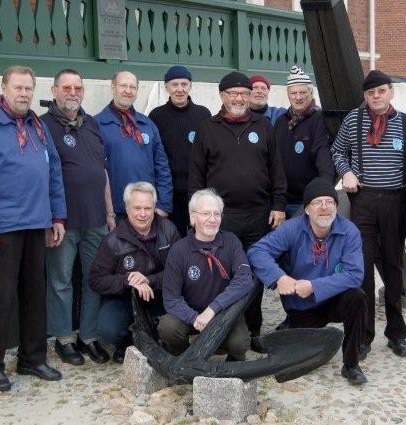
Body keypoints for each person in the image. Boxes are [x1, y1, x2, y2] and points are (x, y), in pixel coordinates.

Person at [0, 65, 66, 391]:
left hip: (37, 224)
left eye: (28, 89)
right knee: (1, 299)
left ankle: (32, 359)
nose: (24, 94)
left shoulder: (38, 127)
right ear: (4, 88)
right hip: (3, 229)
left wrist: (57, 217)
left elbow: (54, 173)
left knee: (35, 296)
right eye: (18, 88)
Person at [189, 71, 286, 338]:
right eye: (233, 93)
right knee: (222, 273)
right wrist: (197, 213)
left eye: (243, 93)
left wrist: (278, 205)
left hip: (258, 215)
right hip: (221, 217)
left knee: (254, 273)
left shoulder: (263, 126)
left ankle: (252, 329)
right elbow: (196, 174)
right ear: (222, 96)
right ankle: (224, 329)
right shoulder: (208, 128)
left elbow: (276, 168)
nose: (239, 98)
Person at [248, 178, 368, 385]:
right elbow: (257, 251)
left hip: (332, 300)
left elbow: (355, 274)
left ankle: (351, 364)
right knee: (293, 353)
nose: (324, 207)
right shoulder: (292, 229)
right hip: (301, 306)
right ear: (306, 210)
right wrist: (279, 278)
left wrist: (314, 286)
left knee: (357, 298)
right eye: (317, 202)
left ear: (336, 207)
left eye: (329, 202)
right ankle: (289, 329)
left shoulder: (349, 231)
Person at [331, 70, 406, 358]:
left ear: (391, 92)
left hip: (395, 201)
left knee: (393, 267)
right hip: (363, 201)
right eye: (370, 93)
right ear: (365, 96)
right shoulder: (353, 120)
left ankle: (396, 333)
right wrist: (346, 172)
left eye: (381, 91)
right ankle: (364, 335)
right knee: (362, 268)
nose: (376, 97)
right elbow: (338, 151)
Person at [41, 69, 112, 366]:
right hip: (63, 222)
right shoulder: (42, 126)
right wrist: (49, 219)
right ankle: (64, 339)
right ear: (54, 90)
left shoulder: (92, 124)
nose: (72, 92)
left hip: (96, 218)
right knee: (60, 281)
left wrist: (109, 212)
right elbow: (41, 177)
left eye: (77, 87)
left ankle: (89, 336)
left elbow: (102, 171)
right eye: (66, 87)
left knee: (93, 280)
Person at [89, 182, 180, 363]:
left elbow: (179, 272)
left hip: (160, 292)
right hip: (124, 296)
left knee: (173, 324)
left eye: (148, 208)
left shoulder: (168, 230)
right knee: (108, 329)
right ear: (127, 208)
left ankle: (155, 338)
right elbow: (96, 280)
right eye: (137, 208)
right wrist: (128, 281)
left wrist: (148, 279)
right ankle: (127, 343)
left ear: (155, 208)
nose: (143, 213)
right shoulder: (112, 240)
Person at [158, 189, 254, 360]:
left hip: (224, 310)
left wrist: (212, 309)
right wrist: (194, 318)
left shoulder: (231, 241)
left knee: (240, 343)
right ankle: (185, 358)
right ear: (193, 218)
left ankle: (230, 361)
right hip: (191, 312)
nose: (212, 219)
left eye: (217, 214)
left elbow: (245, 280)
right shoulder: (179, 250)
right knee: (167, 328)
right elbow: (171, 299)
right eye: (206, 213)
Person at [95, 71, 172, 220]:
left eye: (133, 87)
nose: (128, 91)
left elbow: (161, 166)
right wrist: (106, 211)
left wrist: (163, 204)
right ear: (112, 88)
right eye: (123, 85)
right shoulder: (97, 125)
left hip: (147, 210)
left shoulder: (147, 124)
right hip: (114, 212)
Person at [149, 66, 211, 236]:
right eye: (174, 84)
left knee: (200, 236)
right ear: (166, 87)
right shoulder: (156, 116)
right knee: (171, 237)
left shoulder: (203, 115)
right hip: (170, 192)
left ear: (191, 86)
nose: (179, 89)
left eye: (184, 84)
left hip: (198, 190)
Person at [273, 65, 335, 218]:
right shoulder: (281, 122)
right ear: (288, 95)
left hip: (307, 201)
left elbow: (324, 158)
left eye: (303, 92)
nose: (298, 97)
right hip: (280, 202)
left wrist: (322, 193)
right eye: (293, 93)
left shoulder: (319, 119)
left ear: (311, 93)